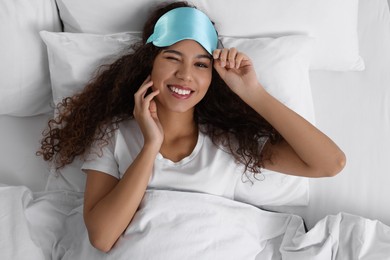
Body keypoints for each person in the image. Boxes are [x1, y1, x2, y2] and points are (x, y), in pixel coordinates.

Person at [37, 1, 346, 253]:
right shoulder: (113, 135)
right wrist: (150, 146)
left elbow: (330, 163)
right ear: (150, 64)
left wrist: (252, 92)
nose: (186, 75)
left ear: (212, 76)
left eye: (201, 64)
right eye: (173, 58)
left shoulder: (228, 140)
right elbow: (102, 237)